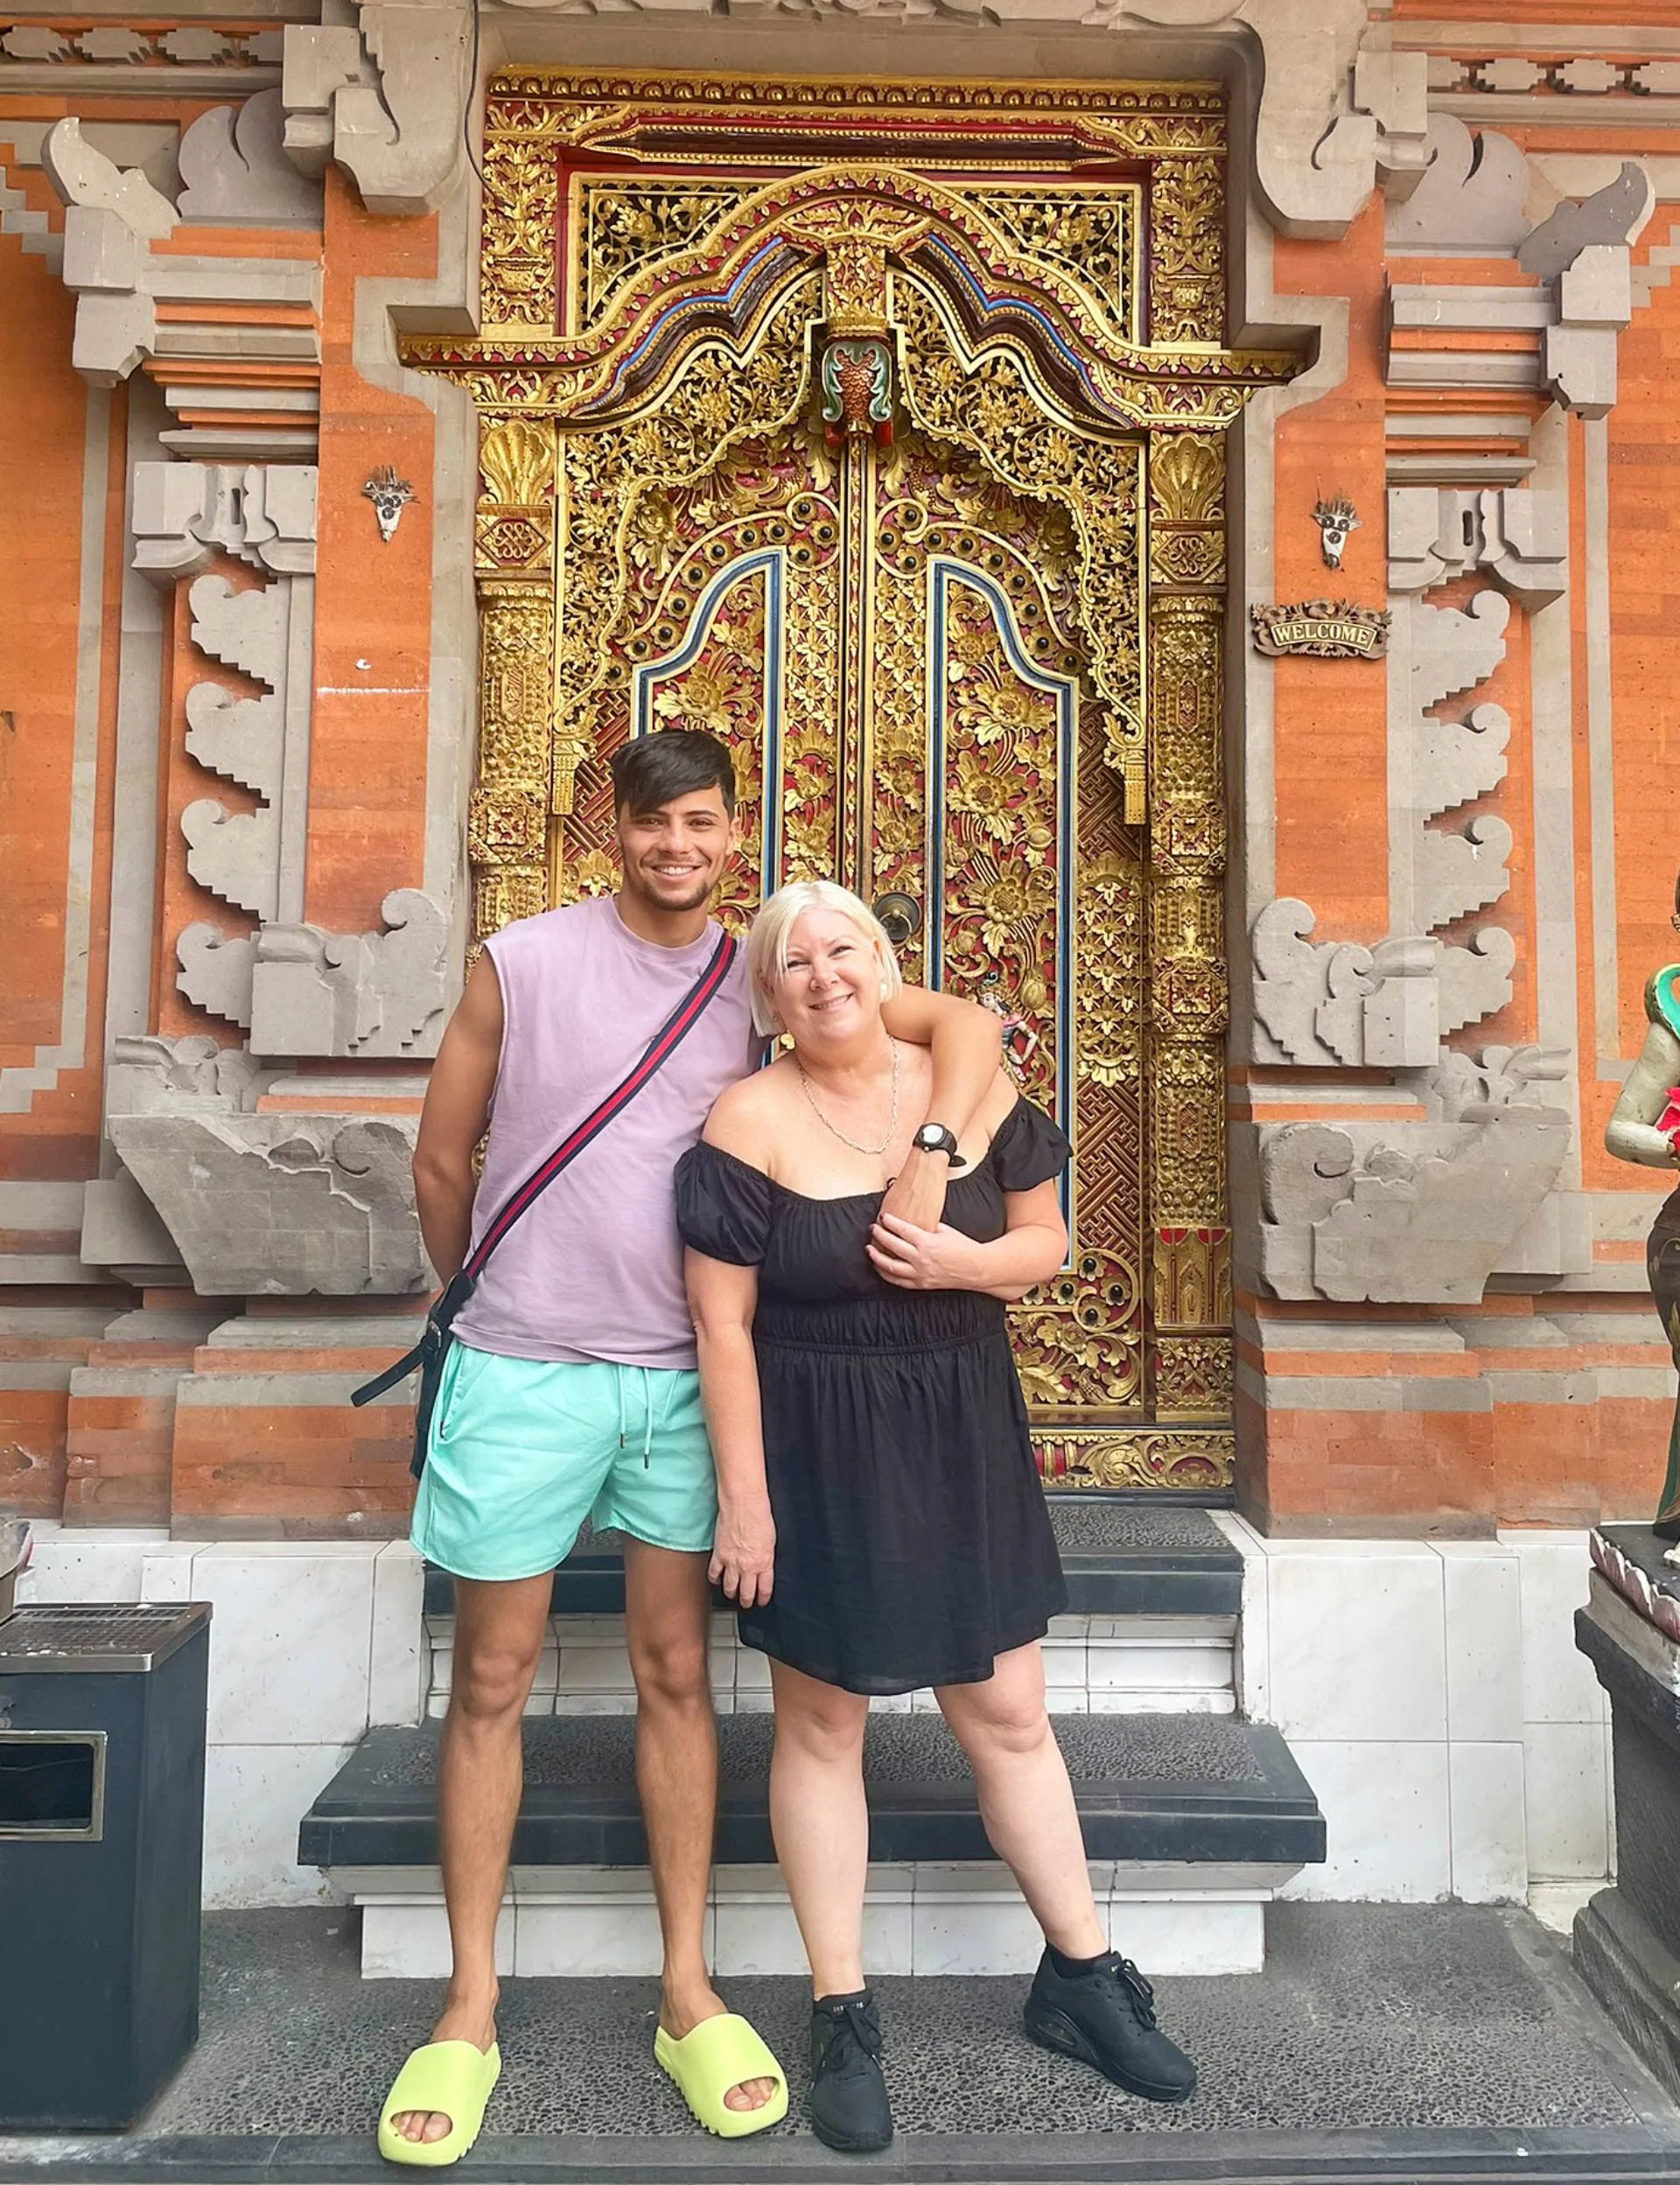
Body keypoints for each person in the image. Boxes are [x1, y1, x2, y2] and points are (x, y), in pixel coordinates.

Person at [377, 732, 1004, 2165]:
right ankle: (469, 2003)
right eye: (655, 823)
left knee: (675, 1671)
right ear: (616, 829)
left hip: (680, 1378)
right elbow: (438, 1158)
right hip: (523, 1369)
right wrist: (491, 1302)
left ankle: (685, 1988)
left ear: (734, 836)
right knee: (490, 1675)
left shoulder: (773, 975)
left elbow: (967, 1031)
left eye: (704, 825)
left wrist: (931, 1161)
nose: (678, 847)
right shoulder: (518, 961)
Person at [676, 879, 1199, 2156]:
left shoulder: (965, 1091)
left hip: (960, 1429)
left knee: (1011, 1712)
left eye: (844, 950)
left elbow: (1047, 1244)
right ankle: (841, 2008)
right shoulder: (745, 1121)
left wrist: (963, 1263)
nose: (823, 975)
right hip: (815, 1444)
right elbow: (720, 1325)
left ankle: (1081, 1975)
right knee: (820, 1722)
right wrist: (746, 1506)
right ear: (769, 992)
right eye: (793, 962)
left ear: (885, 963)